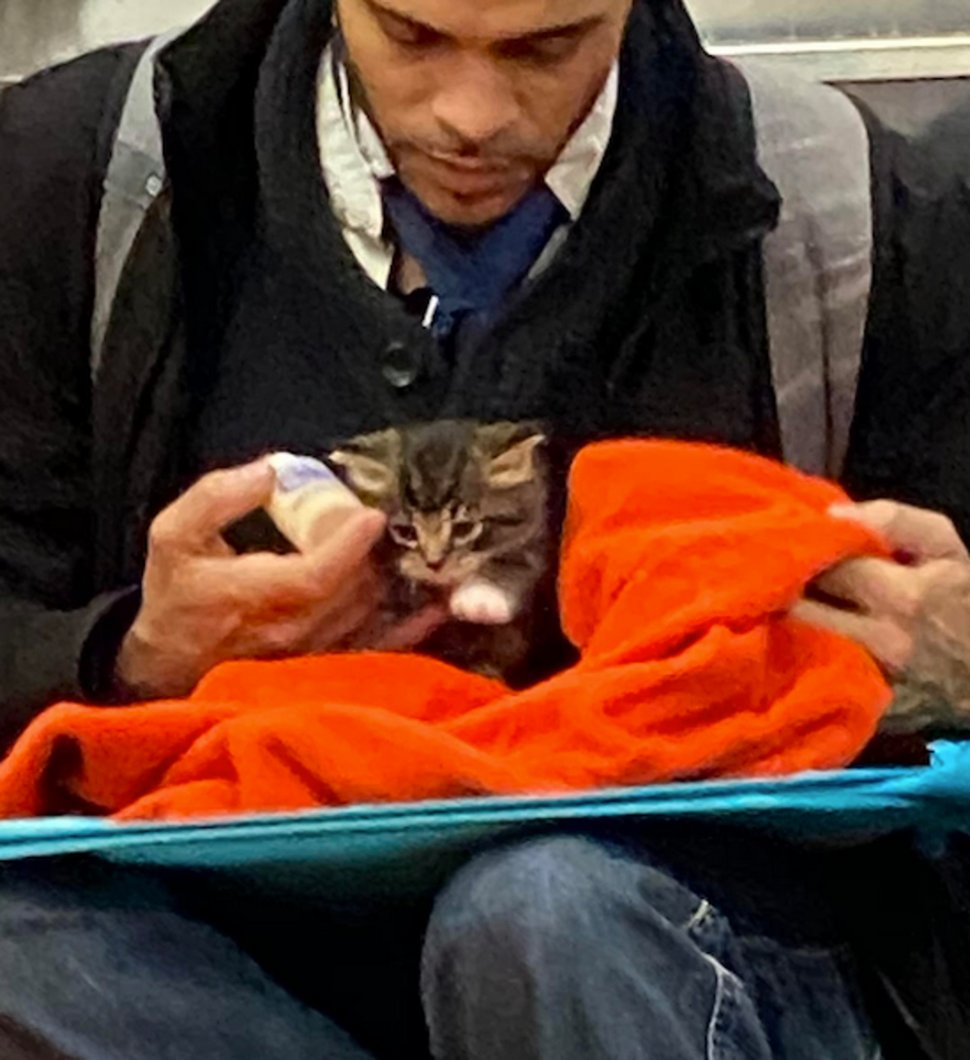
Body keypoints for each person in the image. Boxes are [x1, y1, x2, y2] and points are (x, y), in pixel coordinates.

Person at [1, 0, 970, 1056]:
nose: (471, 116)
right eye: (409, 36)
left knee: (545, 912)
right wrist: (128, 653)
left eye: (545, 49)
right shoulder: (68, 184)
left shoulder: (866, 214)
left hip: (692, 939)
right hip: (203, 947)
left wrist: (954, 664)